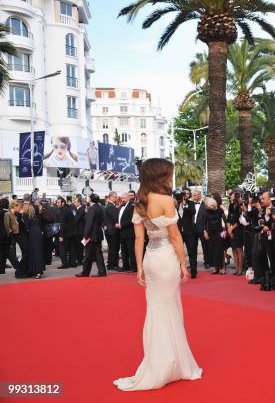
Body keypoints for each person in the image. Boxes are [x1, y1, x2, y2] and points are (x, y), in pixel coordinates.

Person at [113, 158, 202, 391]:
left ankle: (160, 363)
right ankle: (170, 364)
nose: (171, 178)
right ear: (160, 176)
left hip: (151, 259)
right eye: (169, 174)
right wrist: (184, 263)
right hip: (165, 259)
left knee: (156, 310)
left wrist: (140, 267)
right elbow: (174, 236)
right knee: (170, 309)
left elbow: (139, 239)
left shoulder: (140, 202)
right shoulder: (166, 200)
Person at [76, 194, 107, 277]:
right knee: (98, 254)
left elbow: (89, 223)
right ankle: (102, 271)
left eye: (89, 198)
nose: (88, 199)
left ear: (91, 200)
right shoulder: (100, 207)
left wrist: (86, 236)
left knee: (88, 254)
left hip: (91, 235)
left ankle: (85, 272)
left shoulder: (92, 209)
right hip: (98, 234)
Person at [22, 202, 45, 279]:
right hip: (37, 233)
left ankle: (37, 271)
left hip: (33, 234)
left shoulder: (26, 215)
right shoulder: (34, 215)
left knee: (35, 253)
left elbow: (26, 227)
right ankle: (38, 271)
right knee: (37, 252)